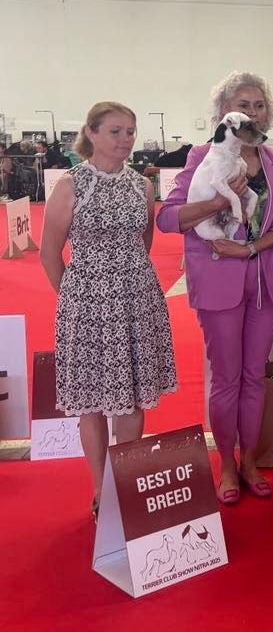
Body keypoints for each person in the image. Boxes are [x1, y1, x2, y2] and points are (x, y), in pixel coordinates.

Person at [157, 71, 273, 504]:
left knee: (254, 377)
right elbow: (169, 217)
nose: (253, 113)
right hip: (218, 280)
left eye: (260, 106)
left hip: (266, 278)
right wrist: (220, 202)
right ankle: (225, 463)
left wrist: (258, 246)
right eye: (245, 105)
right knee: (227, 379)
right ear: (225, 113)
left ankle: (251, 460)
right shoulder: (201, 156)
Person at [40, 101, 177, 520]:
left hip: (137, 300)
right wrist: (76, 298)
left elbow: (144, 242)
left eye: (130, 131)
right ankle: (102, 489)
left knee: (133, 399)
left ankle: (127, 484)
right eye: (115, 131)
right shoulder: (71, 184)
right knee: (92, 402)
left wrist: (126, 283)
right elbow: (49, 253)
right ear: (92, 133)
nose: (125, 139)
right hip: (87, 306)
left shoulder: (142, 186)